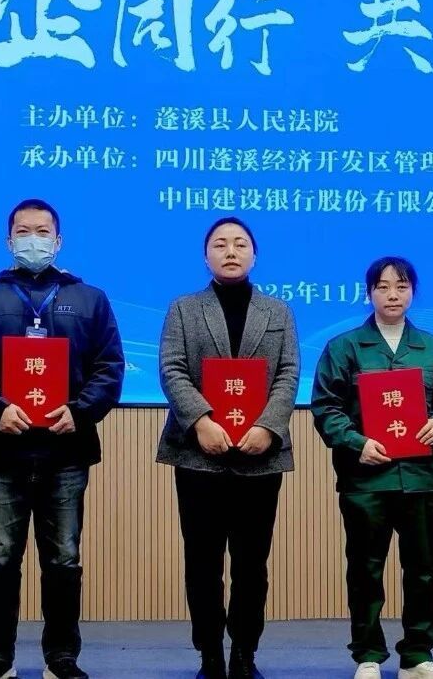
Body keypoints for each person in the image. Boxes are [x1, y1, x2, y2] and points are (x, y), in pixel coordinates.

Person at [0, 198, 124, 679]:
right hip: (1, 452)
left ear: (58, 241)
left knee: (64, 559)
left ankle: (61, 658)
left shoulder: (90, 299)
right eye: (23, 231)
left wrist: (81, 411)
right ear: (9, 241)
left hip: (67, 451)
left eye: (42, 232)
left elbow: (110, 366)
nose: (33, 240)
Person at [157, 216, 299, 679]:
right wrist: (201, 421)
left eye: (240, 244)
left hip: (260, 454)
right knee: (202, 562)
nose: (231, 251)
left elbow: (289, 373)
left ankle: (244, 652)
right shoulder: (183, 308)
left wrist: (267, 426)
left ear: (254, 254)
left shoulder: (277, 311)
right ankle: (210, 654)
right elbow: (172, 368)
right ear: (206, 256)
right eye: (220, 244)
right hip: (199, 454)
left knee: (252, 564)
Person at [312, 256, 433, 679]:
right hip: (365, 480)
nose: (392, 295)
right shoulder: (343, 347)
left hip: (421, 478)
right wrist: (356, 442)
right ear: (369, 294)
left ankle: (417, 656)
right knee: (365, 570)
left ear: (413, 292)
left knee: (421, 571)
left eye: (401, 286)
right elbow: (326, 407)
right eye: (383, 287)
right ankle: (367, 655)